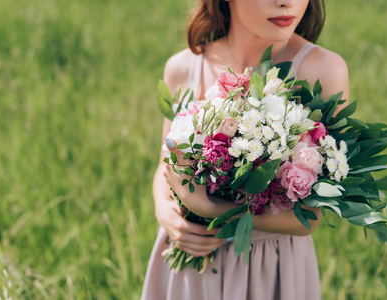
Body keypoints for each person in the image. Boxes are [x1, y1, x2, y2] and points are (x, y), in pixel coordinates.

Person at [142, 0, 349, 299]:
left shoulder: (323, 70)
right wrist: (164, 210)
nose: (286, 2)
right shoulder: (183, 68)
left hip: (272, 268)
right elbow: (165, 165)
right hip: (190, 263)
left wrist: (206, 207)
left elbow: (310, 218)